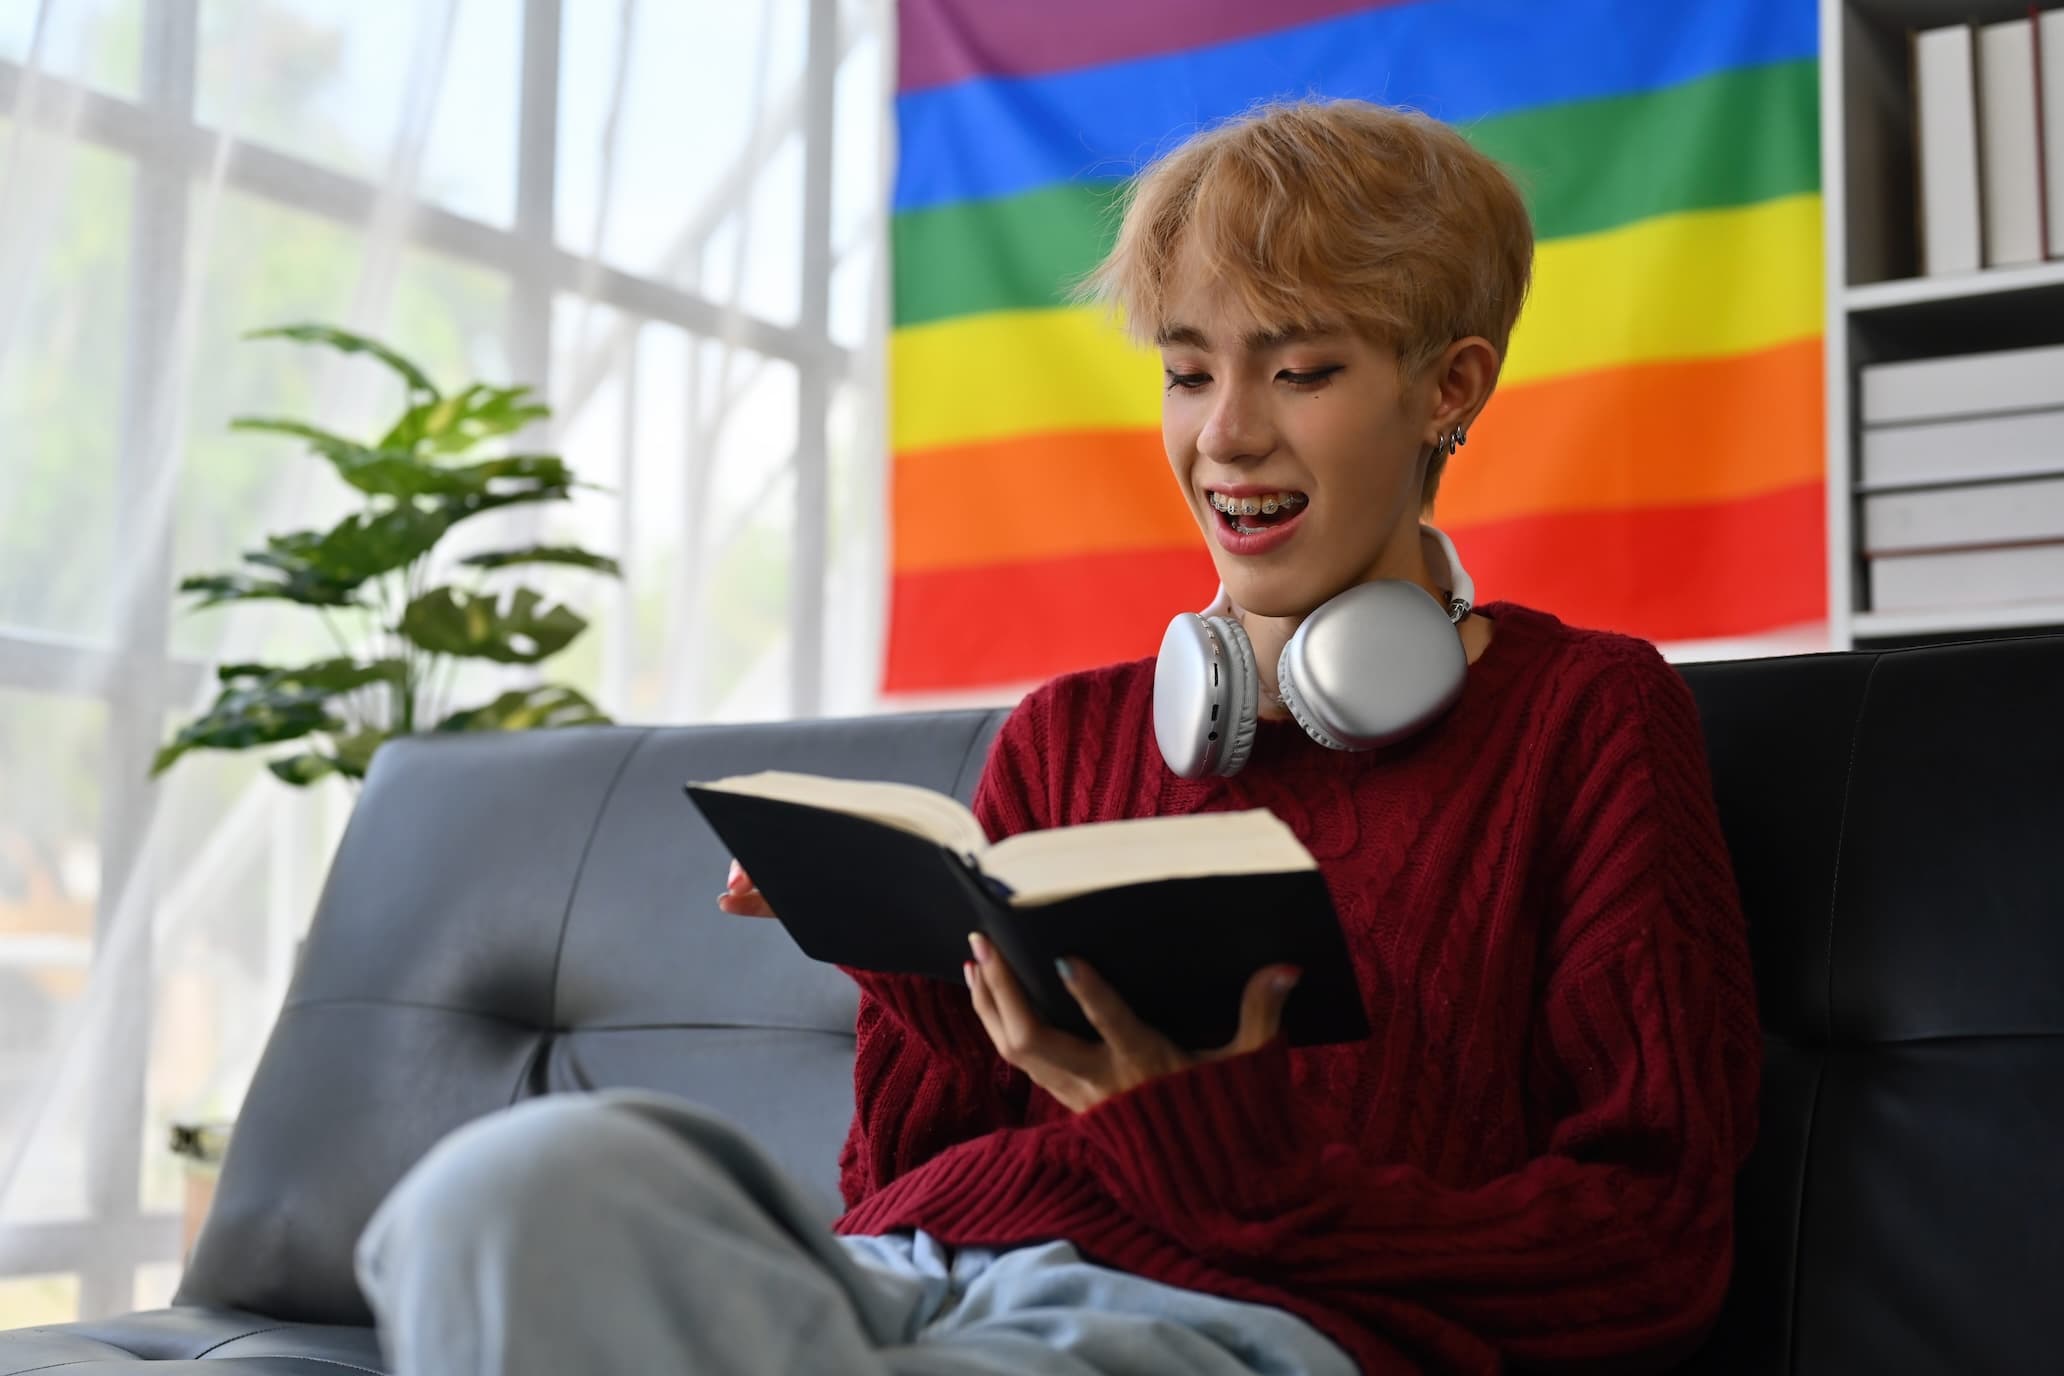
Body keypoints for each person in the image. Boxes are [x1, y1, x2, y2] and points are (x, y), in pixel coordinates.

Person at [355, 98, 1759, 1376]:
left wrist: (1205, 1140)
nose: (1229, 438)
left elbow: (1649, 1243)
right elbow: (905, 1171)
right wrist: (915, 970)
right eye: (1190, 372)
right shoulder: (1071, 735)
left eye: (1303, 371)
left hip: (1238, 1322)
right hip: (916, 1273)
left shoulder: (1587, 719)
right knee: (505, 1193)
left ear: (1447, 388)